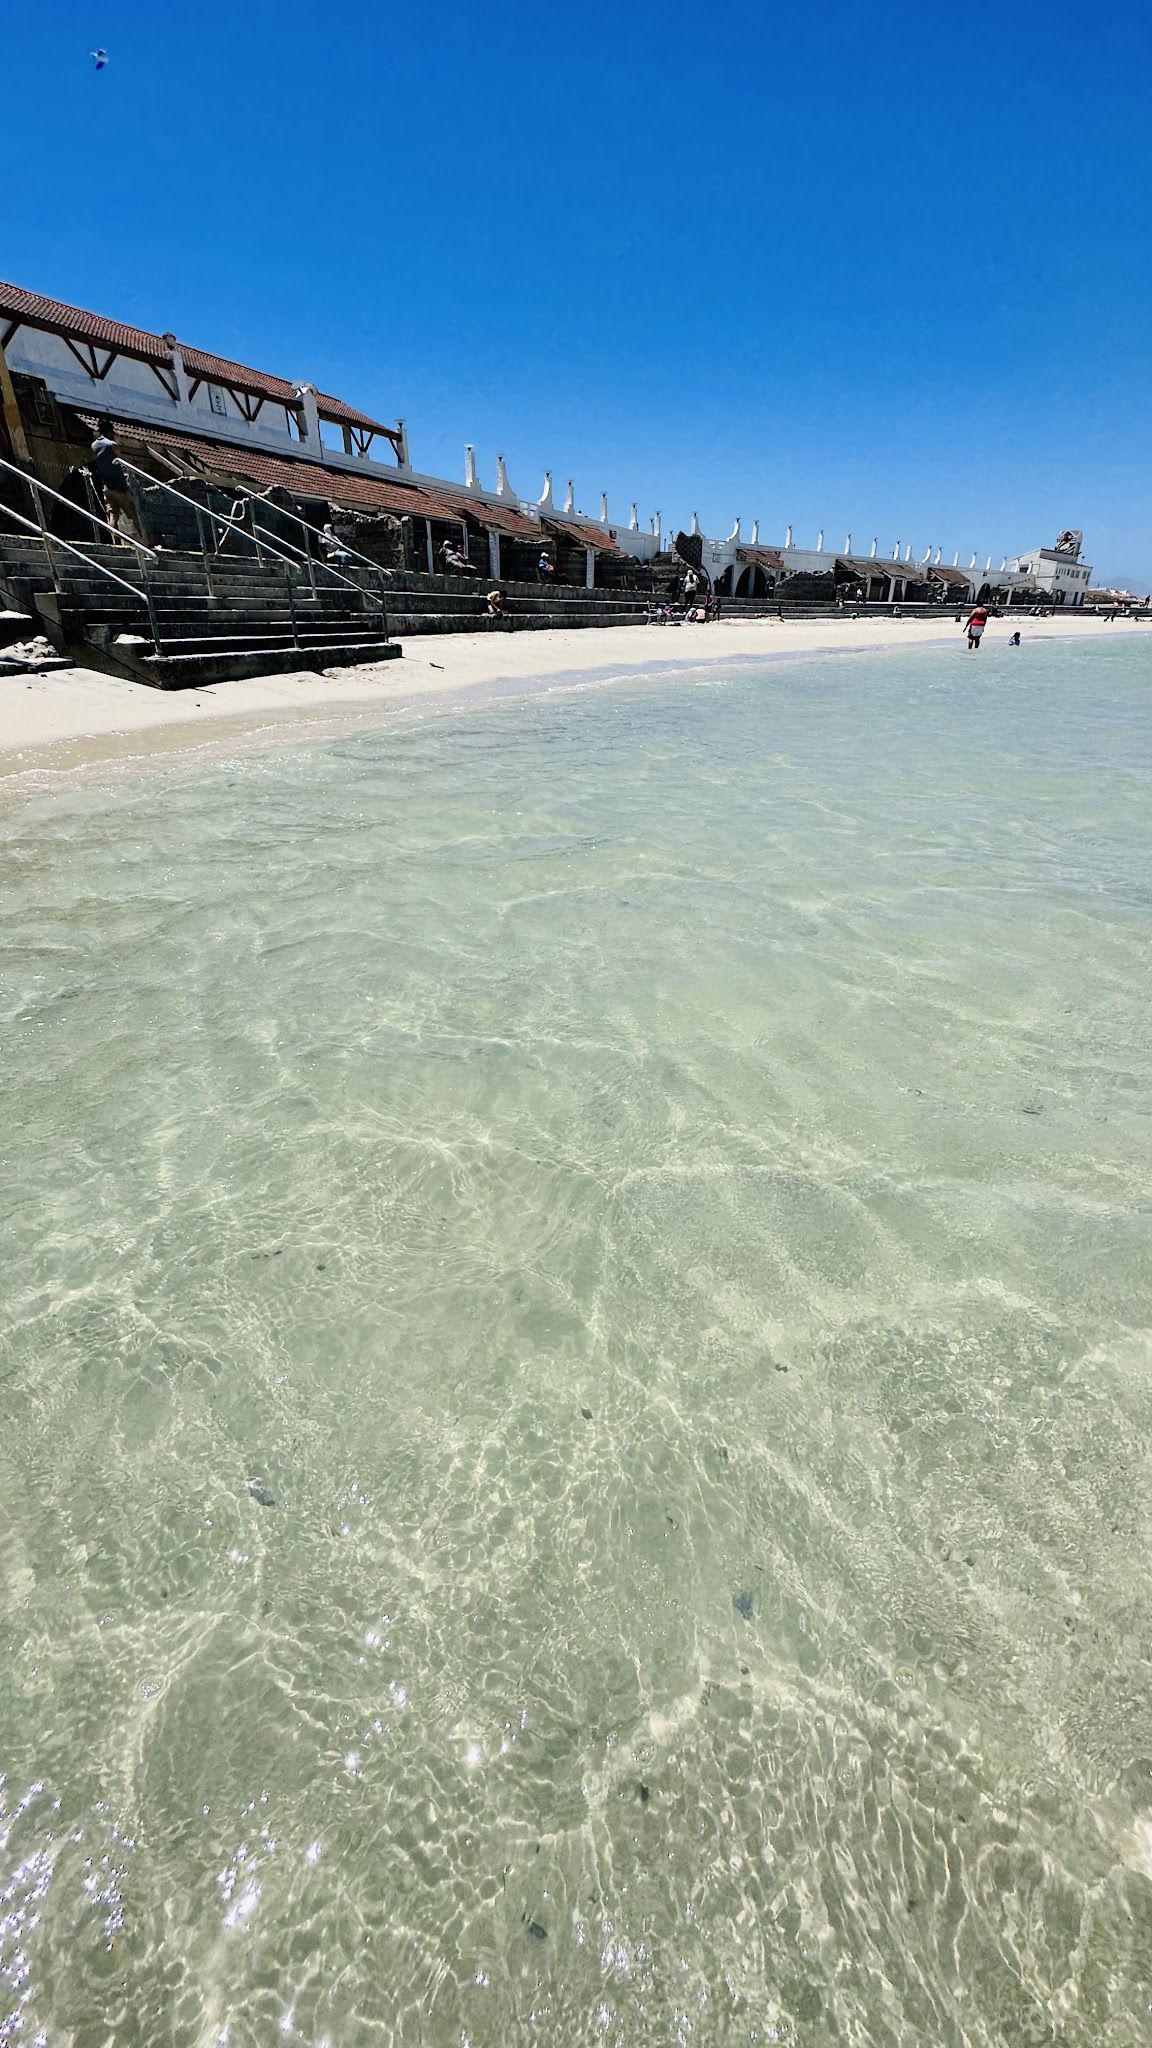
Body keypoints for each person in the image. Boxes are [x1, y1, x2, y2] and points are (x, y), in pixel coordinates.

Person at [89, 417, 142, 542]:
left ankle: (115, 542)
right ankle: (145, 543)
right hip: (120, 487)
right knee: (134, 514)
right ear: (109, 431)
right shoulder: (112, 444)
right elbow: (122, 460)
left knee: (113, 516)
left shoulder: (94, 445)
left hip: (107, 486)